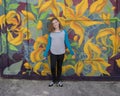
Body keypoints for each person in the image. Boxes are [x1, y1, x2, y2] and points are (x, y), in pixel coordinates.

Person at [43, 17, 75, 87]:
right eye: (53, 23)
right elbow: (49, 44)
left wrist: (72, 52)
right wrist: (45, 54)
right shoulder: (51, 34)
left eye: (56, 22)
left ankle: (59, 80)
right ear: (52, 25)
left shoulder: (64, 32)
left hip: (61, 53)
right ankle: (54, 80)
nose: (55, 24)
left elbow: (67, 42)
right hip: (53, 53)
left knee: (59, 67)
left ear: (59, 22)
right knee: (53, 67)